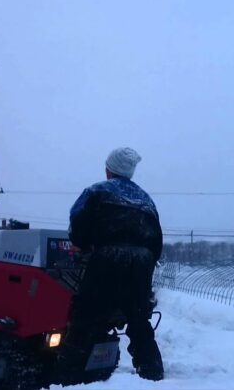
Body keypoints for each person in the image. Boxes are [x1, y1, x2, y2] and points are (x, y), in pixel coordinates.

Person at [64, 147, 164, 381]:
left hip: (108, 260)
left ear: (109, 169)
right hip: (142, 265)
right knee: (139, 321)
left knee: (85, 319)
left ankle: (69, 378)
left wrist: (84, 245)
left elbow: (77, 227)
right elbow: (156, 241)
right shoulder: (146, 199)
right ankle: (152, 373)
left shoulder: (96, 192)